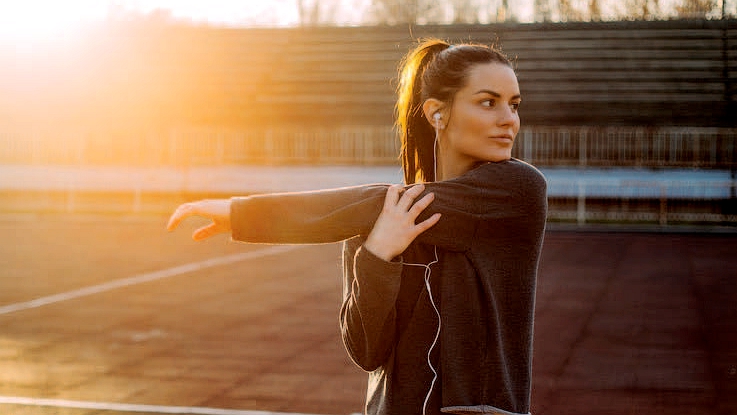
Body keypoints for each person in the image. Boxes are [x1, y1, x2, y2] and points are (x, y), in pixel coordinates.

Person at [167, 39, 547, 415]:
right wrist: (378, 255)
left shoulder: (517, 191)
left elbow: (382, 201)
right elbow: (367, 352)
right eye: (488, 102)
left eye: (514, 105)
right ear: (437, 113)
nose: (508, 120)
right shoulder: (377, 224)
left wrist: (243, 213)